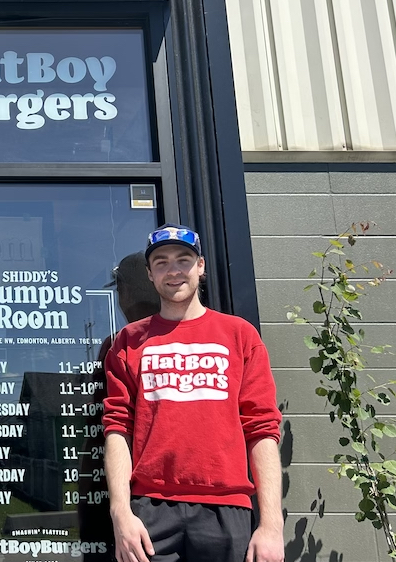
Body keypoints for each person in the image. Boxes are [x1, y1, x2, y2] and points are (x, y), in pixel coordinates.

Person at [102, 225, 283, 562]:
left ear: (200, 266)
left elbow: (262, 428)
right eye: (161, 263)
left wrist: (272, 525)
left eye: (183, 260)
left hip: (227, 509)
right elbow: (117, 428)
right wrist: (121, 513)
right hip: (150, 510)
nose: (173, 271)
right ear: (150, 275)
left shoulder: (239, 335)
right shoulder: (128, 341)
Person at [78, 252, 162, 560]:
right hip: (120, 483)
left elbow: (105, 421)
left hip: (130, 488)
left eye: (119, 289)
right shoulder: (119, 343)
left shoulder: (118, 344)